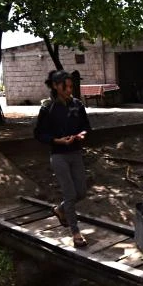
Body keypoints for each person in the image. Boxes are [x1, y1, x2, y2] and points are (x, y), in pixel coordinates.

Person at [35, 70, 92, 247]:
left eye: (70, 86)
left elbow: (86, 126)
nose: (69, 90)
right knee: (70, 193)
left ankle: (60, 209)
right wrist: (56, 140)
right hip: (59, 155)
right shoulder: (47, 108)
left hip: (75, 153)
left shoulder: (77, 105)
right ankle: (75, 232)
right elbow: (39, 134)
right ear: (55, 86)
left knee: (80, 192)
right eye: (64, 86)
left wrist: (82, 134)